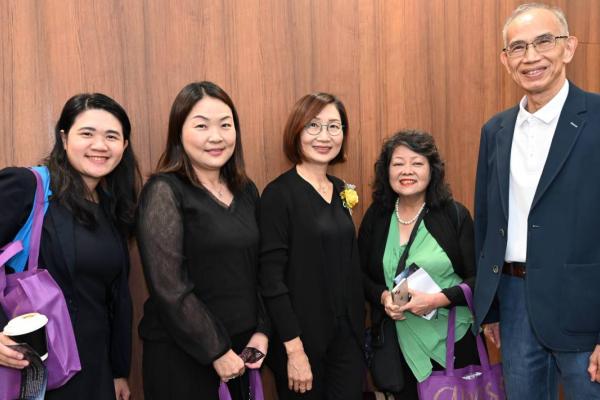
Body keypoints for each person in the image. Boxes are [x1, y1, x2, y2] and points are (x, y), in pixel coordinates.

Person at [473, 3, 600, 399]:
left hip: (586, 306)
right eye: (518, 47)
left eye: (544, 41)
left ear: (569, 47)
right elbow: (486, 222)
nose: (530, 57)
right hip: (514, 302)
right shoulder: (495, 130)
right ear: (505, 59)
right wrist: (492, 307)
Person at [0, 93, 139, 399]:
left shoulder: (113, 208)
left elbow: (114, 298)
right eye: (87, 133)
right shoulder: (27, 186)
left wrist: (118, 371)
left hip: (94, 369)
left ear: (124, 145)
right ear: (64, 138)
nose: (100, 145)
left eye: (112, 136)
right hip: (34, 366)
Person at [137, 81, 269, 400]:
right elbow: (169, 287)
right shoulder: (163, 191)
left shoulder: (246, 190)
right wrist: (216, 350)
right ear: (178, 133)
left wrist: (262, 331)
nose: (216, 136)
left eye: (225, 125)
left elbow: (261, 268)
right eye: (201, 125)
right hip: (184, 356)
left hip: (242, 350)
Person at [258, 92, 365, 400]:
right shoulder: (278, 194)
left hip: (347, 339)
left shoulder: (342, 189)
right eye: (313, 126)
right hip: (301, 341)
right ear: (297, 131)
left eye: (334, 126)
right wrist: (294, 350)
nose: (324, 136)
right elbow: (271, 280)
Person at [359, 130, 479, 398]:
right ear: (387, 171)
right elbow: (359, 274)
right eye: (398, 163)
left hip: (454, 341)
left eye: (417, 163)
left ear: (432, 170)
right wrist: (383, 297)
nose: (407, 171)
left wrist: (437, 300)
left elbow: (478, 279)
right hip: (399, 346)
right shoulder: (377, 216)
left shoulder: (454, 215)